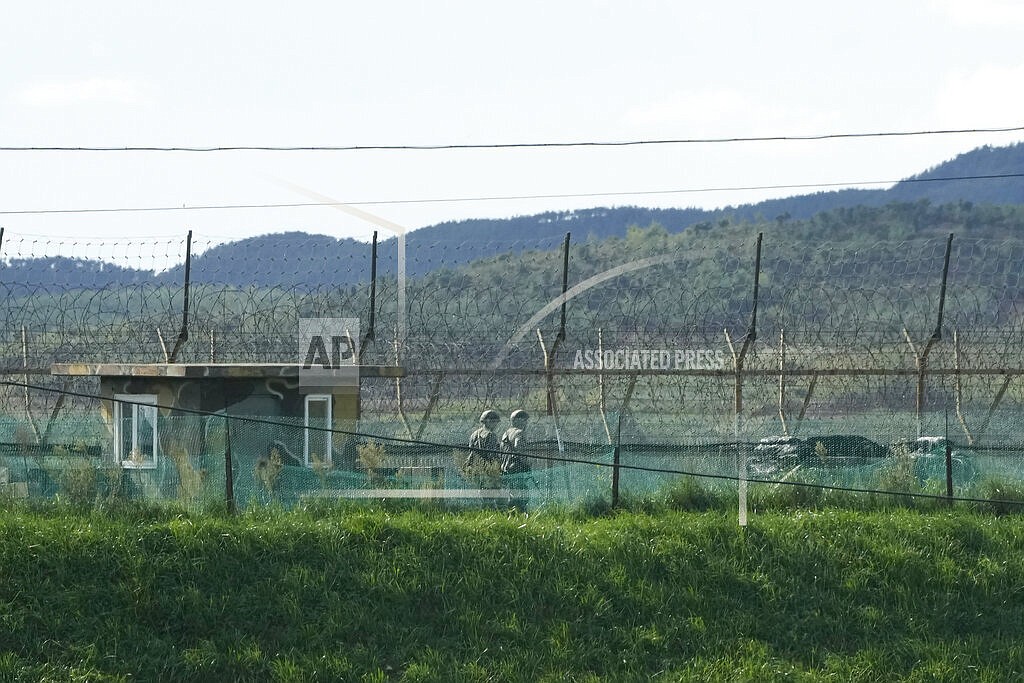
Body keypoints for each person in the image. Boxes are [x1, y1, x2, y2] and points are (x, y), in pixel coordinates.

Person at [500, 409, 530, 475]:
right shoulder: (519, 432)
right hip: (516, 467)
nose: (526, 423)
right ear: (517, 421)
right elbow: (519, 448)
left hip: (504, 466)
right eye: (524, 420)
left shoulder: (506, 433)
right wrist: (526, 465)